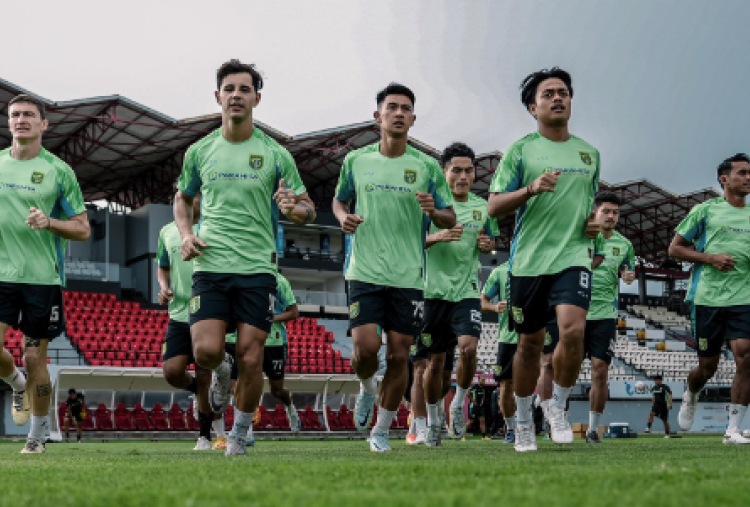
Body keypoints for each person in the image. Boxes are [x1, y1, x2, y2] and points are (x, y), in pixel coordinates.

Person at [174, 60, 315, 456]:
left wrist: (293, 209)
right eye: (229, 88)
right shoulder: (199, 152)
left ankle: (237, 435)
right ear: (218, 96)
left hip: (257, 268)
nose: (236, 95)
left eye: (244, 89)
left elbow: (306, 207)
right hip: (211, 265)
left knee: (251, 356)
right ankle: (220, 374)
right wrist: (186, 234)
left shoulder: (275, 154)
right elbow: (183, 198)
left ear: (257, 98)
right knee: (205, 352)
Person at [332, 83, 455, 452]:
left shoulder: (427, 166)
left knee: (400, 354)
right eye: (392, 107)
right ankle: (366, 386)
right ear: (378, 116)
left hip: (408, 276)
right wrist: (342, 218)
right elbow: (339, 201)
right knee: (367, 350)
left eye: (406, 109)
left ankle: (381, 431)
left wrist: (434, 210)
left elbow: (449, 218)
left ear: (413, 119)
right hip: (364, 271)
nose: (399, 113)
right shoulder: (356, 160)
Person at [487, 68, 601, 452]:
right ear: (532, 107)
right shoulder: (520, 151)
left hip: (573, 257)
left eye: (564, 92)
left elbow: (588, 207)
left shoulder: (590, 153)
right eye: (549, 93)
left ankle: (558, 407)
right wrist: (532, 188)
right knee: (530, 345)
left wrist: (591, 224)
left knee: (572, 332)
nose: (558, 98)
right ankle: (522, 421)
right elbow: (494, 204)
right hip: (529, 262)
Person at [0, 94, 90, 454]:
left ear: (43, 125)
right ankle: (15, 382)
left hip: (42, 278)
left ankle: (36, 438)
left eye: (29, 115)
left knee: (35, 357)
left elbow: (82, 228)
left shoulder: (59, 171)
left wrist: (48, 221)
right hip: (1, 274)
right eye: (15, 115)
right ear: (9, 123)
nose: (22, 120)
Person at [409, 142, 493, 446]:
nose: (463, 176)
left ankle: (458, 403)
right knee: (433, 366)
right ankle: (432, 420)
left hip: (467, 291)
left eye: (468, 170)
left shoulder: (483, 207)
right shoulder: (429, 205)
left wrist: (488, 246)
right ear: (444, 172)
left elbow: (490, 240)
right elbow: (411, 243)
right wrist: (439, 235)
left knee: (469, 349)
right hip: (430, 293)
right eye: (456, 170)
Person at [670, 153, 750, 444]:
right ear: (724, 179)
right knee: (708, 367)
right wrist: (710, 258)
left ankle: (733, 429)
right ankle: (691, 392)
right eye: (742, 173)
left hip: (744, 299)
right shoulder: (705, 211)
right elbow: (674, 249)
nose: (748, 178)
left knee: (747, 357)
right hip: (707, 300)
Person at [157, 193, 214, 451]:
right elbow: (163, 266)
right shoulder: (167, 232)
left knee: (205, 374)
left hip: (207, 312)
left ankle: (204, 436)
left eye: (196, 196)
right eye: (184, 196)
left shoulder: (214, 226)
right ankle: (196, 392)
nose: (192, 201)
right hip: (178, 314)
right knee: (172, 372)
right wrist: (164, 287)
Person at [584, 192, 635, 443]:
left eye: (615, 212)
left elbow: (629, 270)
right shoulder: (580, 235)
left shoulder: (624, 244)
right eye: (606, 211)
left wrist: (628, 277)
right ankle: (553, 413)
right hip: (575, 311)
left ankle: (593, 429)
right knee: (564, 370)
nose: (611, 216)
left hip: (605, 314)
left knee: (600, 370)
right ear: (595, 212)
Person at [482, 261, 517, 444]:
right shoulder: (500, 271)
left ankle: (532, 426)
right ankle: (511, 428)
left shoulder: (539, 267)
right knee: (506, 386)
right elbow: (482, 301)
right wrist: (495, 307)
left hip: (533, 336)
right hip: (508, 339)